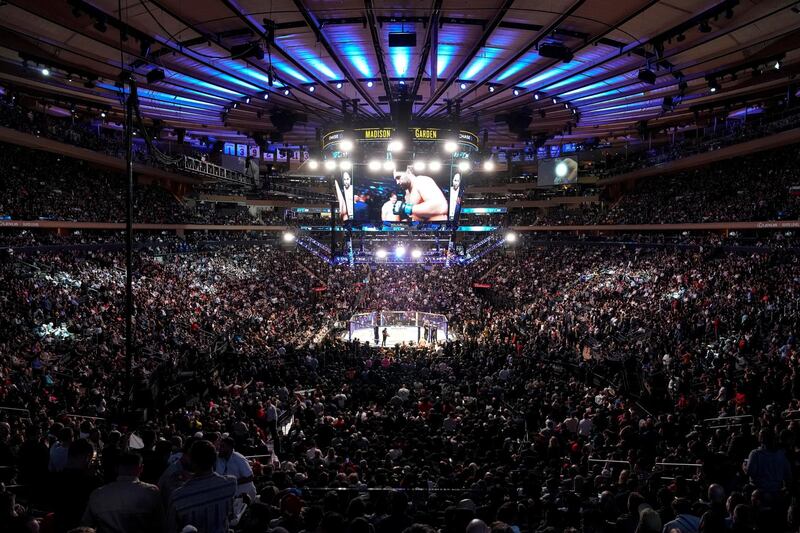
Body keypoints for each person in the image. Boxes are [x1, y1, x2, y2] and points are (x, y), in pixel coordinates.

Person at [82, 451, 164, 533]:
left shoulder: (97, 494)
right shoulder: (151, 492)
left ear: (116, 468)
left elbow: (86, 526)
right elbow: (160, 525)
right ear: (141, 468)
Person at [168, 440, 236, 533]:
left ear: (192, 461)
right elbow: (231, 515)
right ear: (215, 459)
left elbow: (171, 528)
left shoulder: (177, 496)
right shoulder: (230, 484)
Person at [215, 437, 256, 502]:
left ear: (230, 448)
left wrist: (231, 482)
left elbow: (250, 477)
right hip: (230, 497)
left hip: (245, 497)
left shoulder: (239, 458)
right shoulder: (219, 459)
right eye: (219, 446)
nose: (219, 448)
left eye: (222, 446)